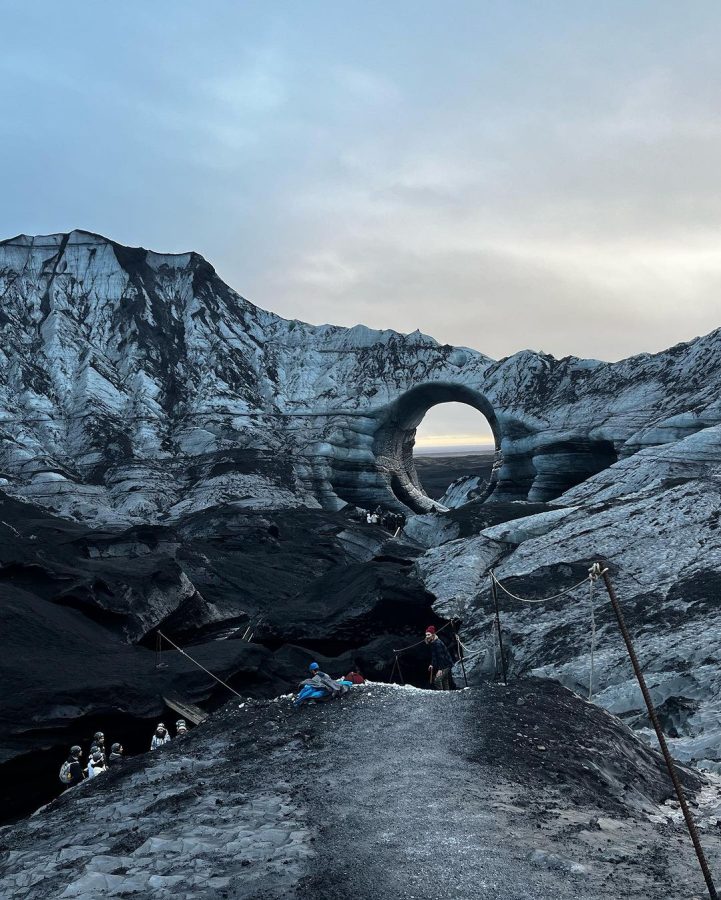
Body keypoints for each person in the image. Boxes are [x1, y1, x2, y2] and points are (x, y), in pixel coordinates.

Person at [425, 625, 454, 690]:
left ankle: (441, 695)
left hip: (446, 664)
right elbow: (434, 656)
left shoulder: (437, 644)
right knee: (444, 680)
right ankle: (446, 694)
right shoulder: (433, 642)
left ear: (433, 634)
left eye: (428, 635)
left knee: (437, 680)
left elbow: (441, 657)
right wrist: (432, 664)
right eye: (426, 635)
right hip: (445, 664)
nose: (427, 636)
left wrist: (440, 669)